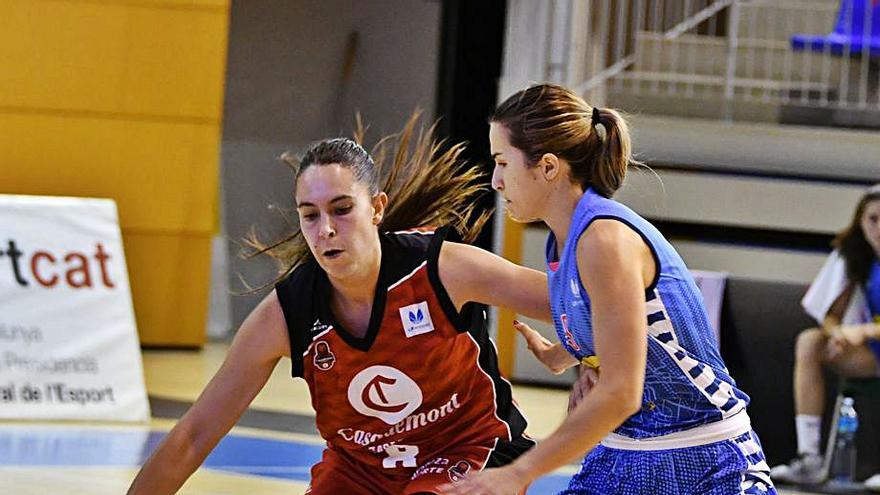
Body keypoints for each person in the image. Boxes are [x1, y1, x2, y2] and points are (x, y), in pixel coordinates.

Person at [126, 116, 558, 495]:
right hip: (363, 470)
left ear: (377, 208)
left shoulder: (442, 269)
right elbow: (192, 436)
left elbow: (579, 305)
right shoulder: (286, 314)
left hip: (470, 447)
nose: (326, 229)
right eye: (310, 215)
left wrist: (576, 353)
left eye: (342, 209)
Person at [441, 83, 775, 495]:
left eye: (502, 163)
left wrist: (517, 472)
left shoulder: (605, 239)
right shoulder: (562, 241)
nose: (495, 181)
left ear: (547, 167)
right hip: (624, 454)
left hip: (704, 456)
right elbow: (621, 326)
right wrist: (568, 353)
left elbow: (621, 393)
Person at [770, 184, 880, 487]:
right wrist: (838, 335)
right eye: (873, 219)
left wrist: (864, 331)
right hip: (873, 354)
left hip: (871, 340)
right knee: (811, 341)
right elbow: (832, 316)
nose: (879, 228)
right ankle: (809, 459)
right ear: (860, 222)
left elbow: (864, 330)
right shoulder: (859, 259)